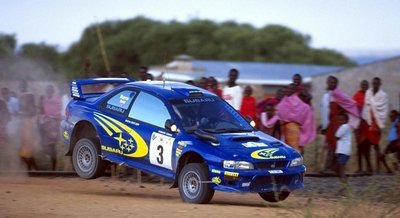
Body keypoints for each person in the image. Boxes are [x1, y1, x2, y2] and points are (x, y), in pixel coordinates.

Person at [321, 76, 360, 173]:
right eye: (330, 82)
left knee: (334, 144)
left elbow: (350, 103)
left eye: (333, 83)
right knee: (331, 143)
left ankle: (332, 167)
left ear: (336, 84)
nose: (331, 84)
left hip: (336, 123)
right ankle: (330, 167)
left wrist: (340, 113)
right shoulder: (329, 94)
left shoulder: (338, 93)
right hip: (331, 122)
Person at [276, 83, 316, 155]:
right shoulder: (284, 100)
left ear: (294, 90)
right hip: (284, 128)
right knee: (286, 149)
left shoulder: (297, 101)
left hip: (294, 130)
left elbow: (305, 109)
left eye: (291, 89)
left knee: (294, 149)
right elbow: (279, 112)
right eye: (288, 88)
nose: (288, 90)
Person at [362, 77, 389, 173]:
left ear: (380, 84)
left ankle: (378, 168)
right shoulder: (368, 93)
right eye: (373, 83)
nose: (375, 85)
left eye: (377, 83)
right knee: (366, 146)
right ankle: (370, 167)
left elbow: (383, 111)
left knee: (376, 146)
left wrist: (380, 125)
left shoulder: (383, 95)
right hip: (368, 122)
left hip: (377, 123)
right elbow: (366, 106)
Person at [39, 85, 62, 170]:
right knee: (45, 145)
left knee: (52, 146)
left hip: (54, 125)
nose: (48, 92)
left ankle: (54, 168)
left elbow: (59, 113)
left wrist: (52, 118)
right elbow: (42, 112)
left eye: (50, 90)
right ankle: (51, 165)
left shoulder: (57, 100)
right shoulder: (44, 100)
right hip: (46, 125)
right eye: (47, 90)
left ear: (52, 91)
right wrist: (43, 119)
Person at [352, 80, 372, 173]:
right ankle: (360, 168)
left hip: (367, 126)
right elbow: (352, 109)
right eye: (363, 84)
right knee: (359, 147)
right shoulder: (356, 96)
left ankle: (369, 167)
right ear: (360, 85)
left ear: (368, 86)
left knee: (366, 147)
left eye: (366, 85)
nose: (364, 86)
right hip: (358, 125)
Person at [18, 80, 38, 171]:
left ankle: (33, 168)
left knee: (27, 145)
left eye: (22, 85)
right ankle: (31, 168)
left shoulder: (29, 96)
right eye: (20, 85)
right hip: (23, 122)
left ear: (25, 86)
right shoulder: (21, 96)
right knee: (24, 144)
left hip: (28, 122)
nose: (21, 87)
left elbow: (32, 110)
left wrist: (24, 114)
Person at [335, 113, 352, 195]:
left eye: (342, 120)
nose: (340, 121)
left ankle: (345, 188)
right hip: (344, 151)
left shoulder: (343, 127)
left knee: (341, 170)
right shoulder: (347, 127)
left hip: (343, 151)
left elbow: (337, 136)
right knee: (340, 169)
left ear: (346, 120)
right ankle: (344, 187)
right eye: (339, 120)